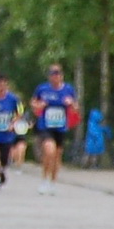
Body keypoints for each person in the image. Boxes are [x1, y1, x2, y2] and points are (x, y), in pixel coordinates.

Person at [30, 64, 78, 194]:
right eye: (53, 74)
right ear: (49, 77)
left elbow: (76, 108)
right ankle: (44, 180)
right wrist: (40, 105)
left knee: (57, 156)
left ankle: (53, 182)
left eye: (57, 74)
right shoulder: (42, 89)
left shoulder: (68, 89)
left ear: (61, 76)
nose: (55, 77)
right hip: (46, 126)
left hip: (60, 127)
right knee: (49, 151)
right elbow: (33, 104)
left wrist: (71, 103)